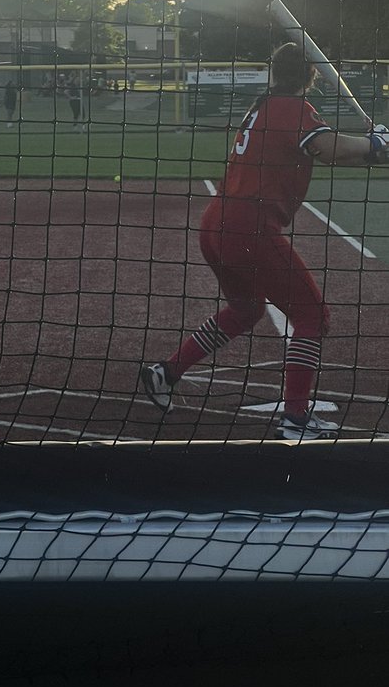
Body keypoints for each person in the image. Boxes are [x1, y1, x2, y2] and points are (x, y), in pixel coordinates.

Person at [141, 42, 389, 440]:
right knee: (312, 316)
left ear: (274, 72)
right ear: (311, 76)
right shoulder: (292, 108)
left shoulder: (265, 107)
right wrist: (373, 143)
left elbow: (333, 153)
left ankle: (166, 372)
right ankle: (295, 419)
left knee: (246, 309)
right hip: (249, 226)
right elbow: (328, 148)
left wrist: (376, 151)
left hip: (217, 223)